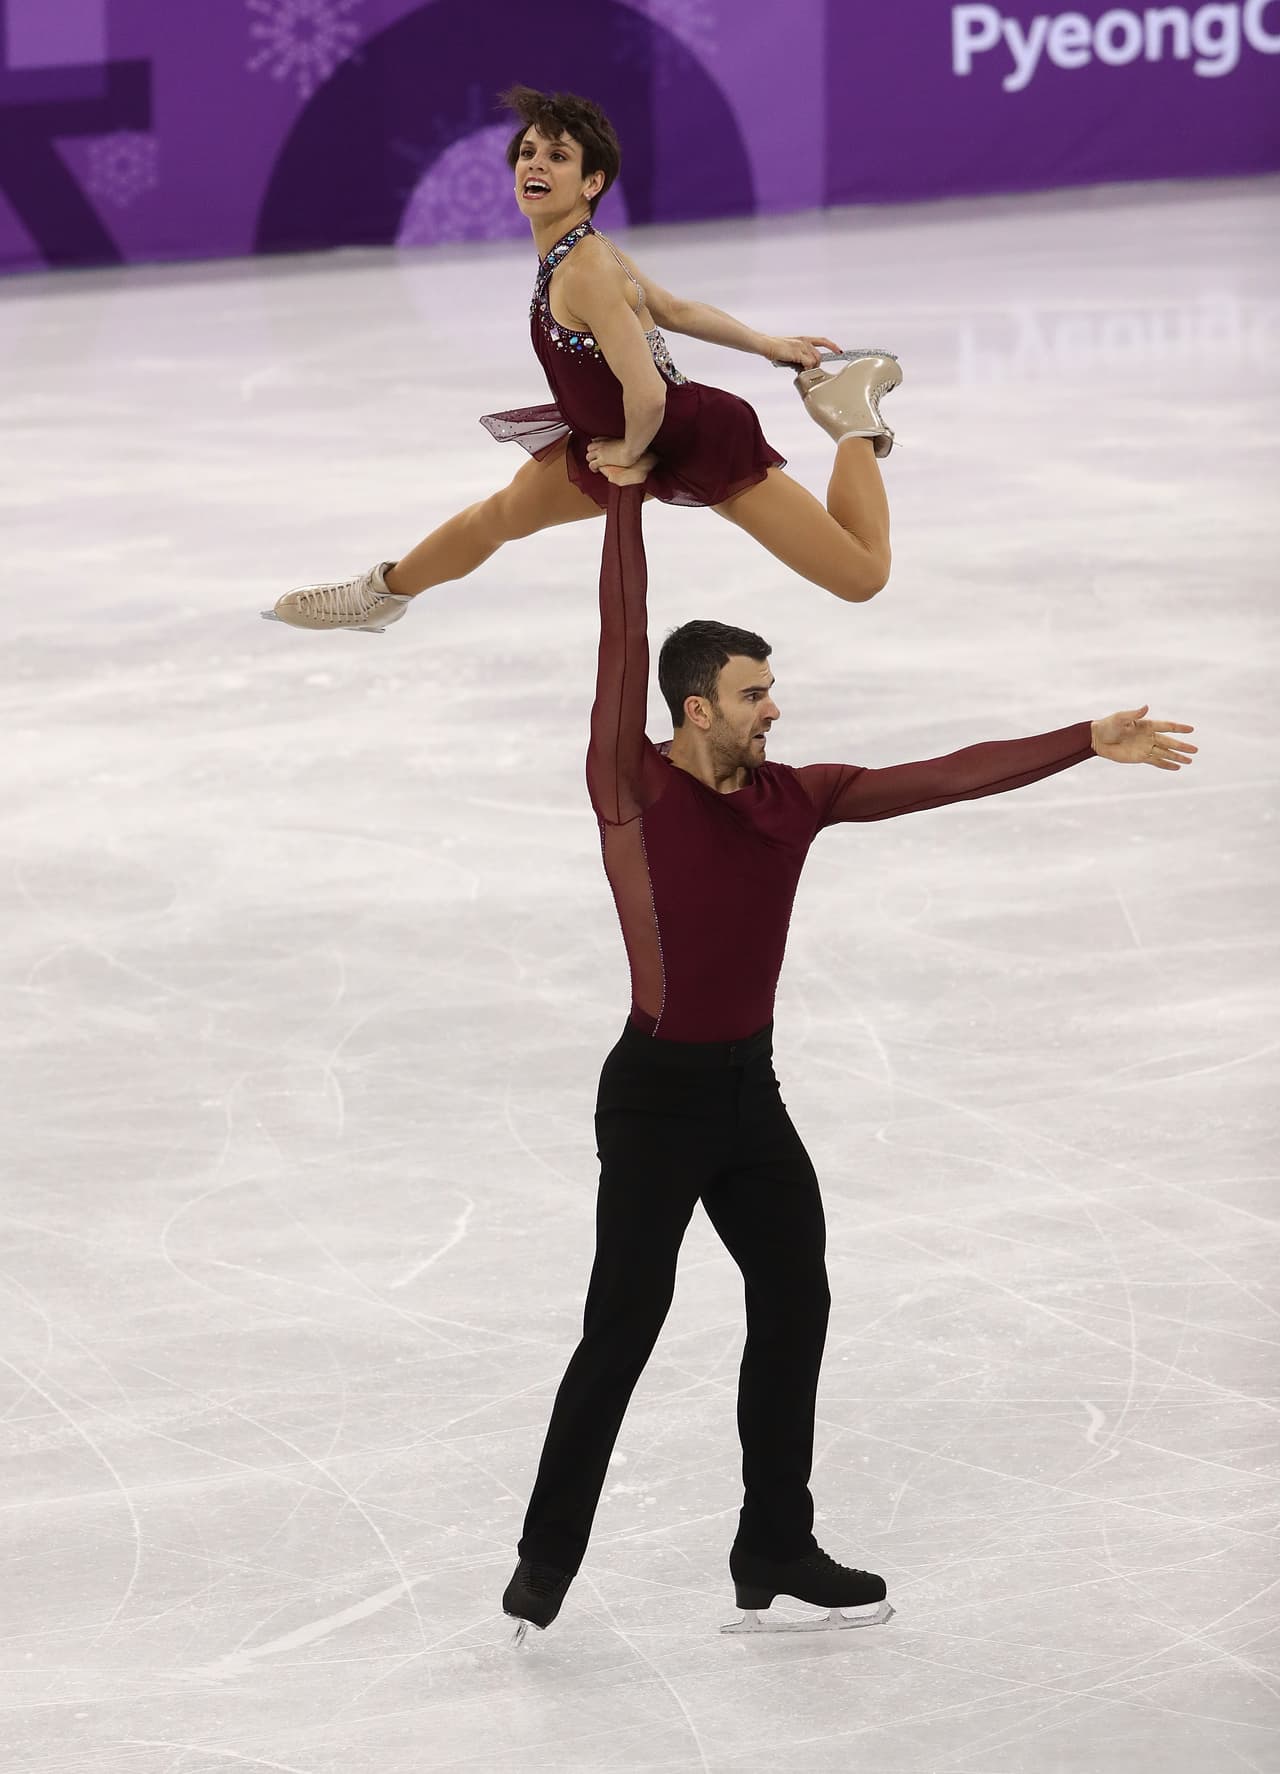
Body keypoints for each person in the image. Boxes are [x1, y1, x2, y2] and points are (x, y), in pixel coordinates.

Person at [501, 485, 1196, 1643]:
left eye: (771, 689)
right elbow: (618, 634)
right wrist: (622, 501)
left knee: (794, 1297)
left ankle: (771, 1543)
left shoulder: (795, 800)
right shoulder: (631, 787)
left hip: (745, 1094)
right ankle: (541, 1564)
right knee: (624, 1325)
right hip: (656, 1099)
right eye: (752, 692)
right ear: (693, 707)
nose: (774, 709)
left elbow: (940, 776)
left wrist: (1081, 741)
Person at [262, 85, 900, 636]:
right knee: (500, 515)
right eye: (530, 152)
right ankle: (380, 595)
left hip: (689, 435)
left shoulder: (587, 269)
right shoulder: (582, 250)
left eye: (558, 156)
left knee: (860, 575)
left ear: (592, 183)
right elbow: (673, 309)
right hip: (610, 432)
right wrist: (768, 344)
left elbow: (647, 394)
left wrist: (628, 453)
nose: (534, 165)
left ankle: (851, 422)